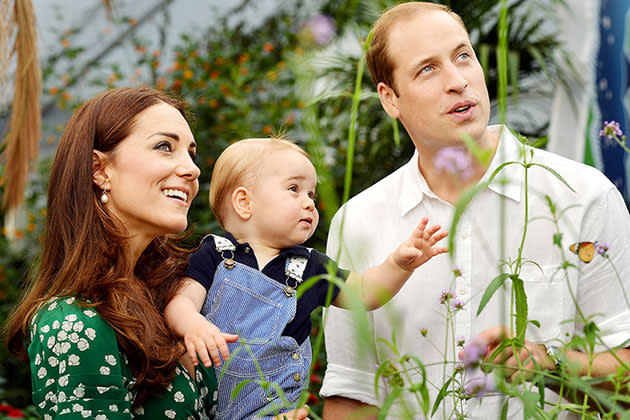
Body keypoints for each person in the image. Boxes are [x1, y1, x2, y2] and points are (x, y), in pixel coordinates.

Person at [319, 2, 630, 419]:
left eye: (463, 56)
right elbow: (353, 394)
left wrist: (550, 365)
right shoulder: (357, 220)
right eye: (427, 69)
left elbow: (624, 378)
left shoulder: (583, 195)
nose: (457, 81)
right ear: (390, 99)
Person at [5, 88, 308, 420]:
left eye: (191, 154)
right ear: (99, 169)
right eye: (165, 146)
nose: (192, 169)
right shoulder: (75, 322)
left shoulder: (175, 298)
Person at [163, 137, 449, 419]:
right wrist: (193, 325)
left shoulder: (310, 266)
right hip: (200, 401)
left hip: (266, 409)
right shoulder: (213, 254)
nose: (309, 203)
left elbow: (366, 293)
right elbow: (180, 303)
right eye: (294, 189)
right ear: (244, 202)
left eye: (311, 194)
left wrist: (398, 265)